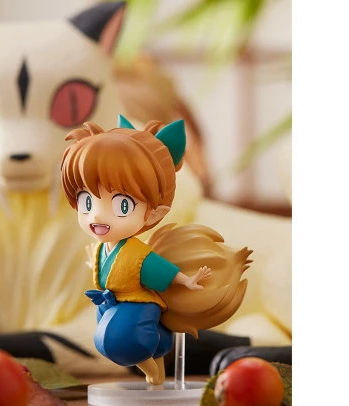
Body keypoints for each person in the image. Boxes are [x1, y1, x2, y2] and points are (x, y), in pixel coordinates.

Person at [60, 115, 252, 385]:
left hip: (138, 306)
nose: (96, 216)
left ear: (153, 214)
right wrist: (95, 263)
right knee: (108, 341)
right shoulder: (105, 247)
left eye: (122, 205)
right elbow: (111, 269)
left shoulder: (137, 254)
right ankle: (157, 350)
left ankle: (152, 369)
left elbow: (160, 270)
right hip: (111, 302)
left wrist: (188, 281)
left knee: (115, 342)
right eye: (86, 201)